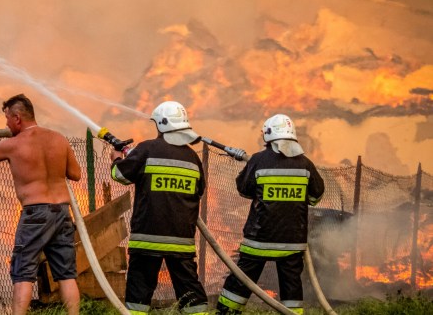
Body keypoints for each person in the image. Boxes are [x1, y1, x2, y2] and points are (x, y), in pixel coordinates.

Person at [0, 94, 82, 315]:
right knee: (66, 274)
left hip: (35, 214)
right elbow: (75, 174)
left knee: (23, 273)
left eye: (7, 119)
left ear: (18, 118)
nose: (6, 124)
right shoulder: (59, 139)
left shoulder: (12, 145)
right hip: (62, 212)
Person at [216, 114, 325, 315]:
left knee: (242, 279)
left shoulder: (258, 160)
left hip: (259, 240)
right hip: (292, 241)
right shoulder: (306, 164)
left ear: (268, 135)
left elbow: (244, 189)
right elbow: (316, 196)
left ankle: (227, 312)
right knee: (291, 285)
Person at [109, 101, 210, 315]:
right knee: (190, 291)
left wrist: (116, 158)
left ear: (161, 125)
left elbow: (120, 175)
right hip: (181, 241)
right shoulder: (192, 157)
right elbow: (199, 190)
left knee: (139, 292)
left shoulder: (147, 149)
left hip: (147, 237)